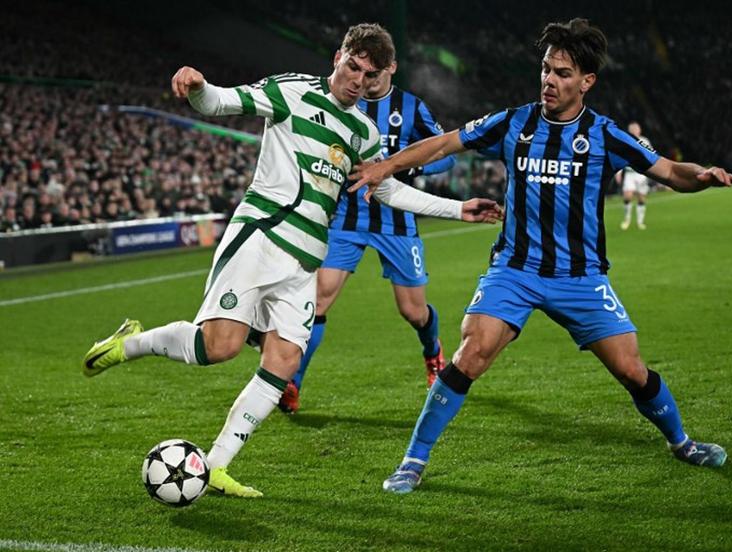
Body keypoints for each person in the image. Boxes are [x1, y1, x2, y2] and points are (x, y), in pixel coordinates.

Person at [82, 23, 502, 498]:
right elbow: (221, 101)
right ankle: (132, 343)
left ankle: (216, 465)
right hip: (260, 239)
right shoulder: (291, 92)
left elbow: (384, 187)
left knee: (282, 360)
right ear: (337, 57)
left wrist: (457, 209)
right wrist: (198, 86)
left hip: (305, 259)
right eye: (352, 67)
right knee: (218, 347)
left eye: (367, 76)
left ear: (378, 79)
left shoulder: (362, 130)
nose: (356, 81)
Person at [350, 18, 732, 494]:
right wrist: (386, 166)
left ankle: (681, 443)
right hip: (514, 270)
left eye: (561, 73)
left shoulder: (605, 135)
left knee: (631, 369)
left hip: (580, 277)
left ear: (586, 82)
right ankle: (413, 461)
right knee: (470, 352)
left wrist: (701, 176)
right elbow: (446, 142)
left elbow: (667, 170)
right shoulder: (514, 122)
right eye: (545, 69)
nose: (548, 81)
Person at [272, 47, 457, 414]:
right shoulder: (342, 103)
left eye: (374, 72)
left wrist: (406, 168)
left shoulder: (411, 107)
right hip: (346, 218)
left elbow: (447, 154)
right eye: (361, 71)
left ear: (391, 67)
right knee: (320, 299)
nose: (365, 80)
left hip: (397, 220)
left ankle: (432, 350)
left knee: (413, 311)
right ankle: (292, 382)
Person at [617, 121, 652, 230]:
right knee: (628, 196)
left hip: (641, 173)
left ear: (639, 130)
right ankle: (627, 219)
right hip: (629, 174)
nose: (634, 131)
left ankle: (640, 222)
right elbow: (620, 157)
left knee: (641, 198)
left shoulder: (644, 141)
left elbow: (651, 156)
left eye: (636, 129)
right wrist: (618, 173)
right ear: (629, 131)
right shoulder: (625, 141)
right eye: (632, 129)